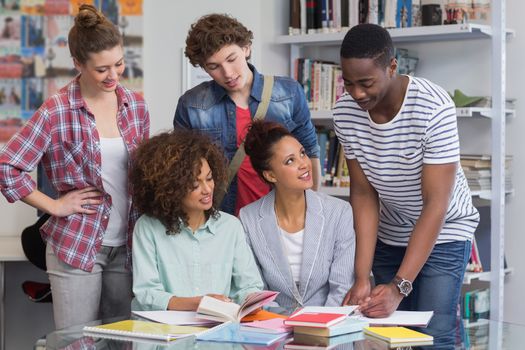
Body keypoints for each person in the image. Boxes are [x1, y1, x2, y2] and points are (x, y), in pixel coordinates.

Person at [0, 4, 150, 329]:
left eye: (119, 64)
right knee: (76, 343)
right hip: (77, 244)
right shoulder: (57, 110)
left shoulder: (135, 105)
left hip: (128, 246)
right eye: (101, 69)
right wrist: (54, 205)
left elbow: (143, 175)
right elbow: (8, 167)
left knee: (122, 342)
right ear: (78, 64)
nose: (113, 76)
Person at [334, 24, 479, 347]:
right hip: (391, 231)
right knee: (390, 335)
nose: (356, 93)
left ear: (392, 67)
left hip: (445, 231)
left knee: (435, 333)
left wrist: (400, 287)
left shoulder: (432, 107)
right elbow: (363, 193)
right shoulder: (345, 112)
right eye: (349, 83)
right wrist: (361, 277)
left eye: (366, 83)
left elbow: (435, 204)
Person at [174, 13, 320, 216]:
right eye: (214, 67)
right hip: (222, 219)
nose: (227, 73)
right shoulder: (191, 105)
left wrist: (310, 210)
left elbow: (310, 152)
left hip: (282, 217)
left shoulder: (288, 93)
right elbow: (185, 171)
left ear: (246, 48)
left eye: (231, 59)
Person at [130, 130, 263, 311]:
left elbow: (248, 286)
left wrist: (251, 301)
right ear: (170, 188)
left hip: (217, 329)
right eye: (194, 184)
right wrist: (198, 304)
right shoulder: (147, 227)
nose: (207, 189)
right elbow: (147, 293)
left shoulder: (230, 227)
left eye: (209, 178)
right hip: (162, 331)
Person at [239, 120, 355, 310]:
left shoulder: (339, 212)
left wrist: (318, 326)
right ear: (270, 175)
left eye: (302, 153)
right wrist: (285, 324)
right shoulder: (248, 219)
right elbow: (257, 289)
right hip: (275, 328)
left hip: (329, 328)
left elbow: (342, 288)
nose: (304, 164)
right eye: (290, 160)